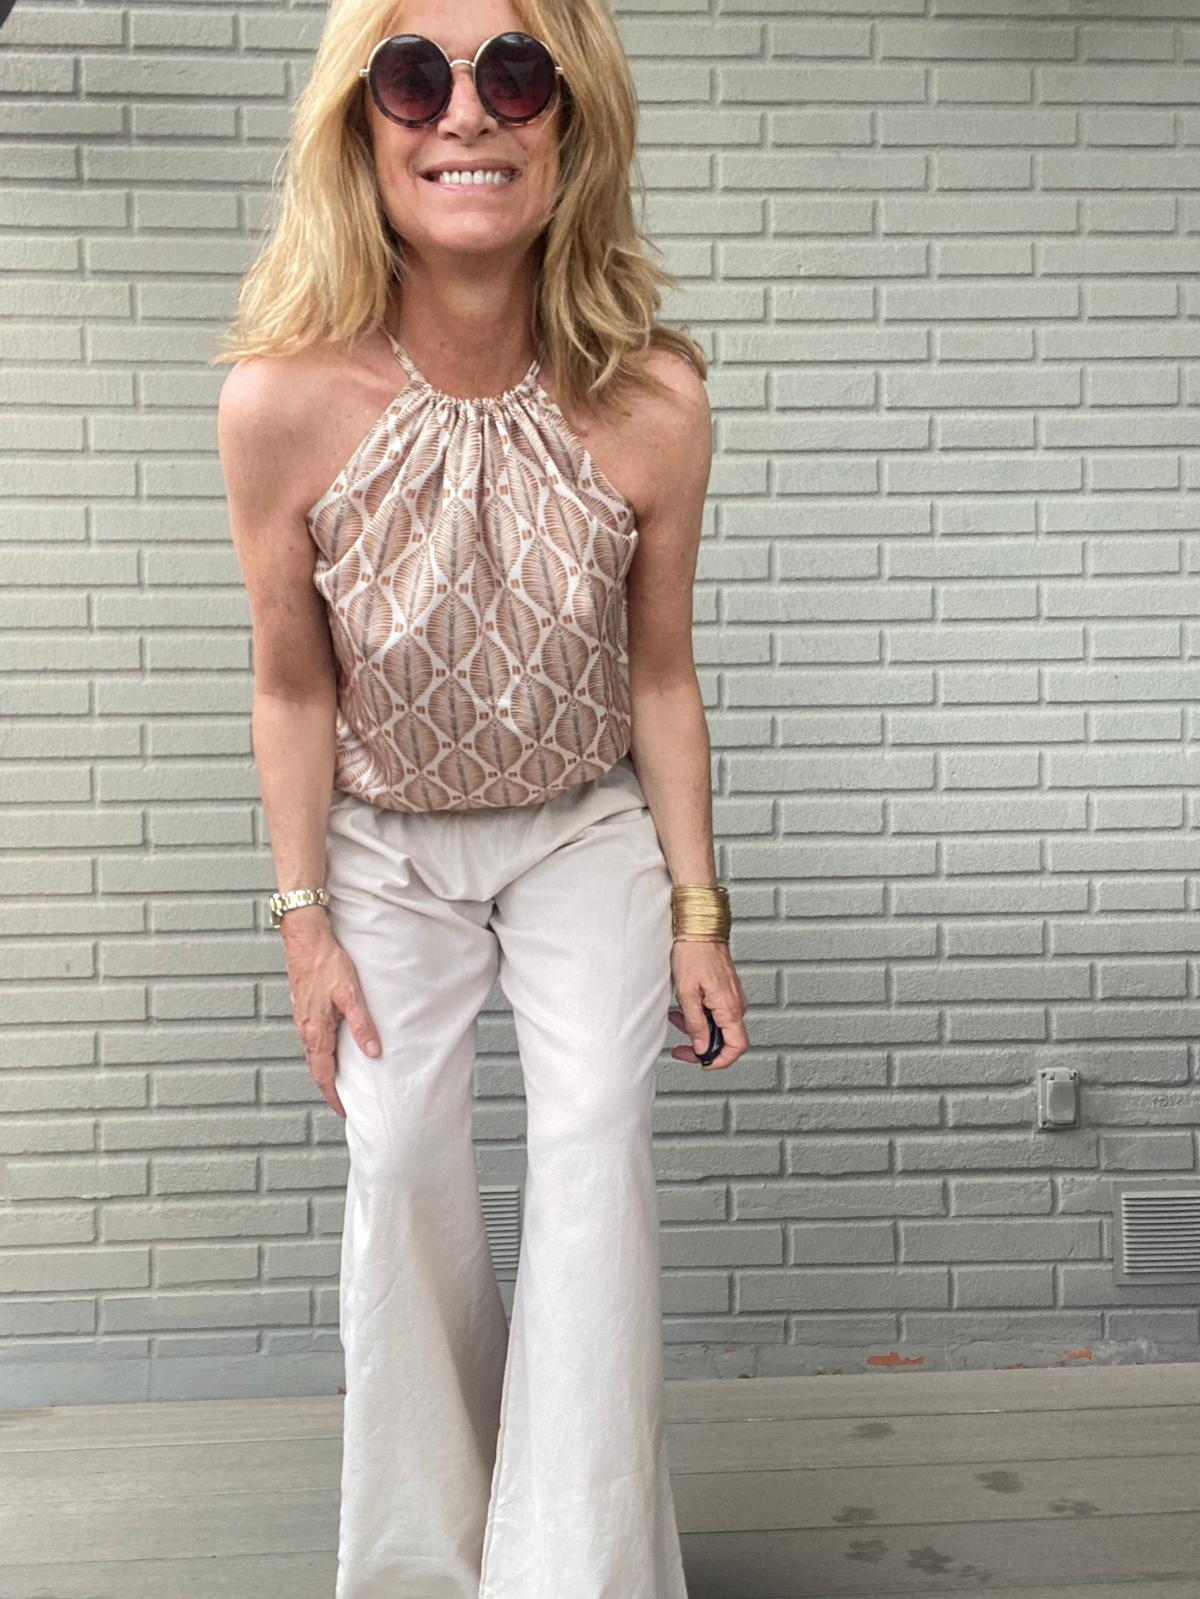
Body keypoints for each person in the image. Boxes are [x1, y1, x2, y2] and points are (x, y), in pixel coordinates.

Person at [214, 0, 749, 1593]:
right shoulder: (279, 402)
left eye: (516, 73)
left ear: (572, 120)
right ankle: (422, 1573)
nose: (465, 113)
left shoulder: (656, 401)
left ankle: (576, 1571)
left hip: (582, 832)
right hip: (382, 847)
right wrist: (304, 923)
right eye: (413, 76)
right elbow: (291, 687)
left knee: (592, 1150)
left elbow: (662, 677)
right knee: (402, 1177)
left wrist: (699, 913)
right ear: (359, 124)